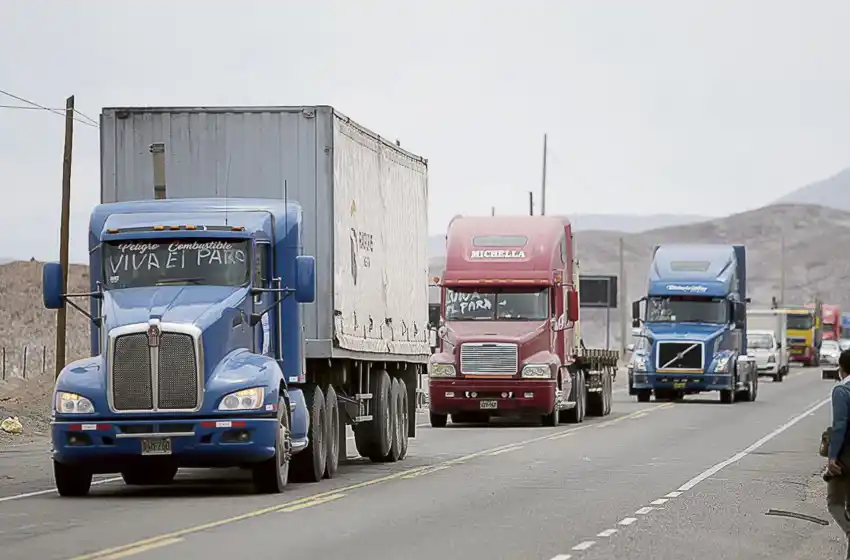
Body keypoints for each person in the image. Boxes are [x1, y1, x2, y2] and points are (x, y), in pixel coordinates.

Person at [826, 349, 850, 558]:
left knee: (834, 502)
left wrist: (832, 457)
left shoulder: (842, 391)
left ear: (841, 368)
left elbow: (840, 425)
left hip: (846, 457)